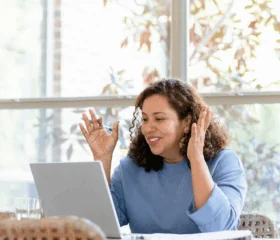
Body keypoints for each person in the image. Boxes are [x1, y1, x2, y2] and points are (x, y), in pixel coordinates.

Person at [79, 78, 247, 234]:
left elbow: (222, 228)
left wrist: (196, 158)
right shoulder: (130, 168)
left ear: (187, 122)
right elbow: (97, 227)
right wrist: (102, 158)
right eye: (145, 120)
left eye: (159, 119)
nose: (147, 128)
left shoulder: (224, 163)